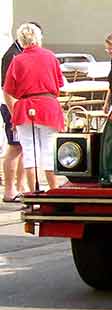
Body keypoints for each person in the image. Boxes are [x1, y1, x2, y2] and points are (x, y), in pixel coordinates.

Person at [2, 23, 64, 192]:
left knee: (30, 153)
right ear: (38, 38)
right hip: (48, 106)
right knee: (48, 151)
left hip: (24, 107)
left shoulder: (18, 60)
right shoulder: (50, 56)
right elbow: (59, 84)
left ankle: (32, 194)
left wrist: (15, 111)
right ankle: (54, 190)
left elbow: (8, 90)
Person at [1, 24, 33, 201]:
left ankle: (21, 187)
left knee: (24, 148)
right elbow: (7, 89)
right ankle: (9, 190)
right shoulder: (13, 55)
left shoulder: (21, 53)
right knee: (15, 147)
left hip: (21, 105)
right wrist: (15, 114)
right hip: (11, 105)